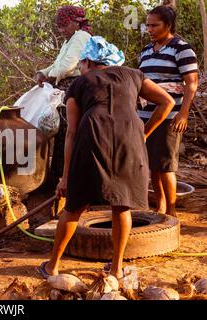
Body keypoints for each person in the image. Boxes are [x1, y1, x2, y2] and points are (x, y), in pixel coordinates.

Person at [38, 36, 175, 279]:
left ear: (89, 62)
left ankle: (53, 266)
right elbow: (167, 102)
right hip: (129, 137)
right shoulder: (134, 75)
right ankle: (116, 268)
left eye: (81, 62)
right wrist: (144, 133)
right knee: (122, 205)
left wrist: (66, 177)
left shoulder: (80, 83)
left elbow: (71, 132)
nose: (80, 67)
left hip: (92, 136)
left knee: (74, 206)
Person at [139, 5, 199, 217]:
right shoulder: (146, 50)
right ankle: (161, 206)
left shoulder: (182, 48)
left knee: (166, 165)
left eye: (155, 25)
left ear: (168, 25)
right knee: (152, 166)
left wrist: (183, 113)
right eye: (148, 25)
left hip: (170, 117)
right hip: (146, 116)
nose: (150, 29)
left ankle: (172, 211)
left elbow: (191, 83)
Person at [34, 6, 92, 187]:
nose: (61, 30)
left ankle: (64, 177)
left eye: (64, 26)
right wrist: (43, 72)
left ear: (76, 22)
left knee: (67, 132)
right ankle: (58, 175)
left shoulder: (81, 37)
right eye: (58, 26)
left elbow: (68, 65)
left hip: (72, 87)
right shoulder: (70, 39)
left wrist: (50, 76)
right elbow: (58, 63)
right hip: (64, 87)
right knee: (60, 132)